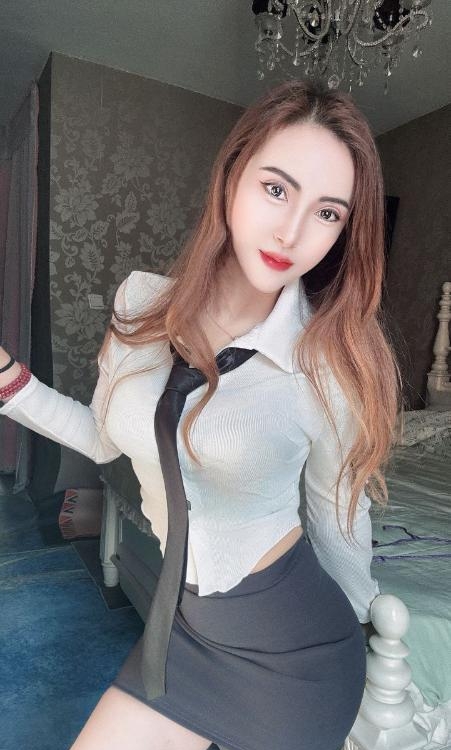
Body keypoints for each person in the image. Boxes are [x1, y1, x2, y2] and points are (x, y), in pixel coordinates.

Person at [0, 79, 401, 750]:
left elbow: (339, 518)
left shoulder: (328, 367)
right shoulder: (138, 306)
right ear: (232, 177)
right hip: (182, 632)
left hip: (293, 655)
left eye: (328, 212)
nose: (292, 232)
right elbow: (104, 438)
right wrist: (10, 381)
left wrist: (367, 623)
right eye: (276, 189)